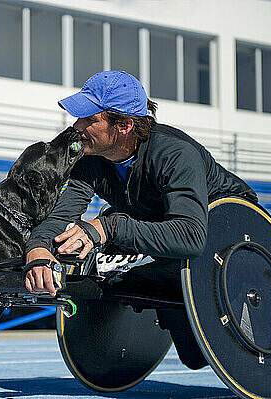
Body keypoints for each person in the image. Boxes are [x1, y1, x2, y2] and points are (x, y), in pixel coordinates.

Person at [24, 70, 257, 298]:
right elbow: (60, 217)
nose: (77, 126)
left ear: (124, 125)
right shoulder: (90, 157)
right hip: (166, 227)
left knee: (110, 223)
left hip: (236, 236)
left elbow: (190, 237)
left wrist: (107, 228)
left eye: (90, 120)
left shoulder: (176, 155)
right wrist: (38, 249)